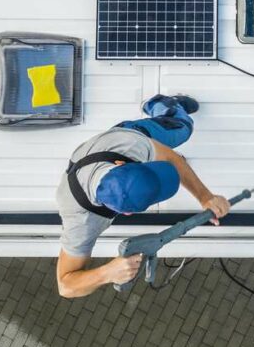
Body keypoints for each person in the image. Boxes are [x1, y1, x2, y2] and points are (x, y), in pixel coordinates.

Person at [55, 94, 229, 298]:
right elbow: (65, 286)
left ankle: (161, 105)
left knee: (183, 127)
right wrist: (107, 273)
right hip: (106, 161)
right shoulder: (80, 221)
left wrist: (205, 197)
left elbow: (172, 159)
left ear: (121, 164)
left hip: (129, 134)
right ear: (127, 212)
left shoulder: (128, 145)